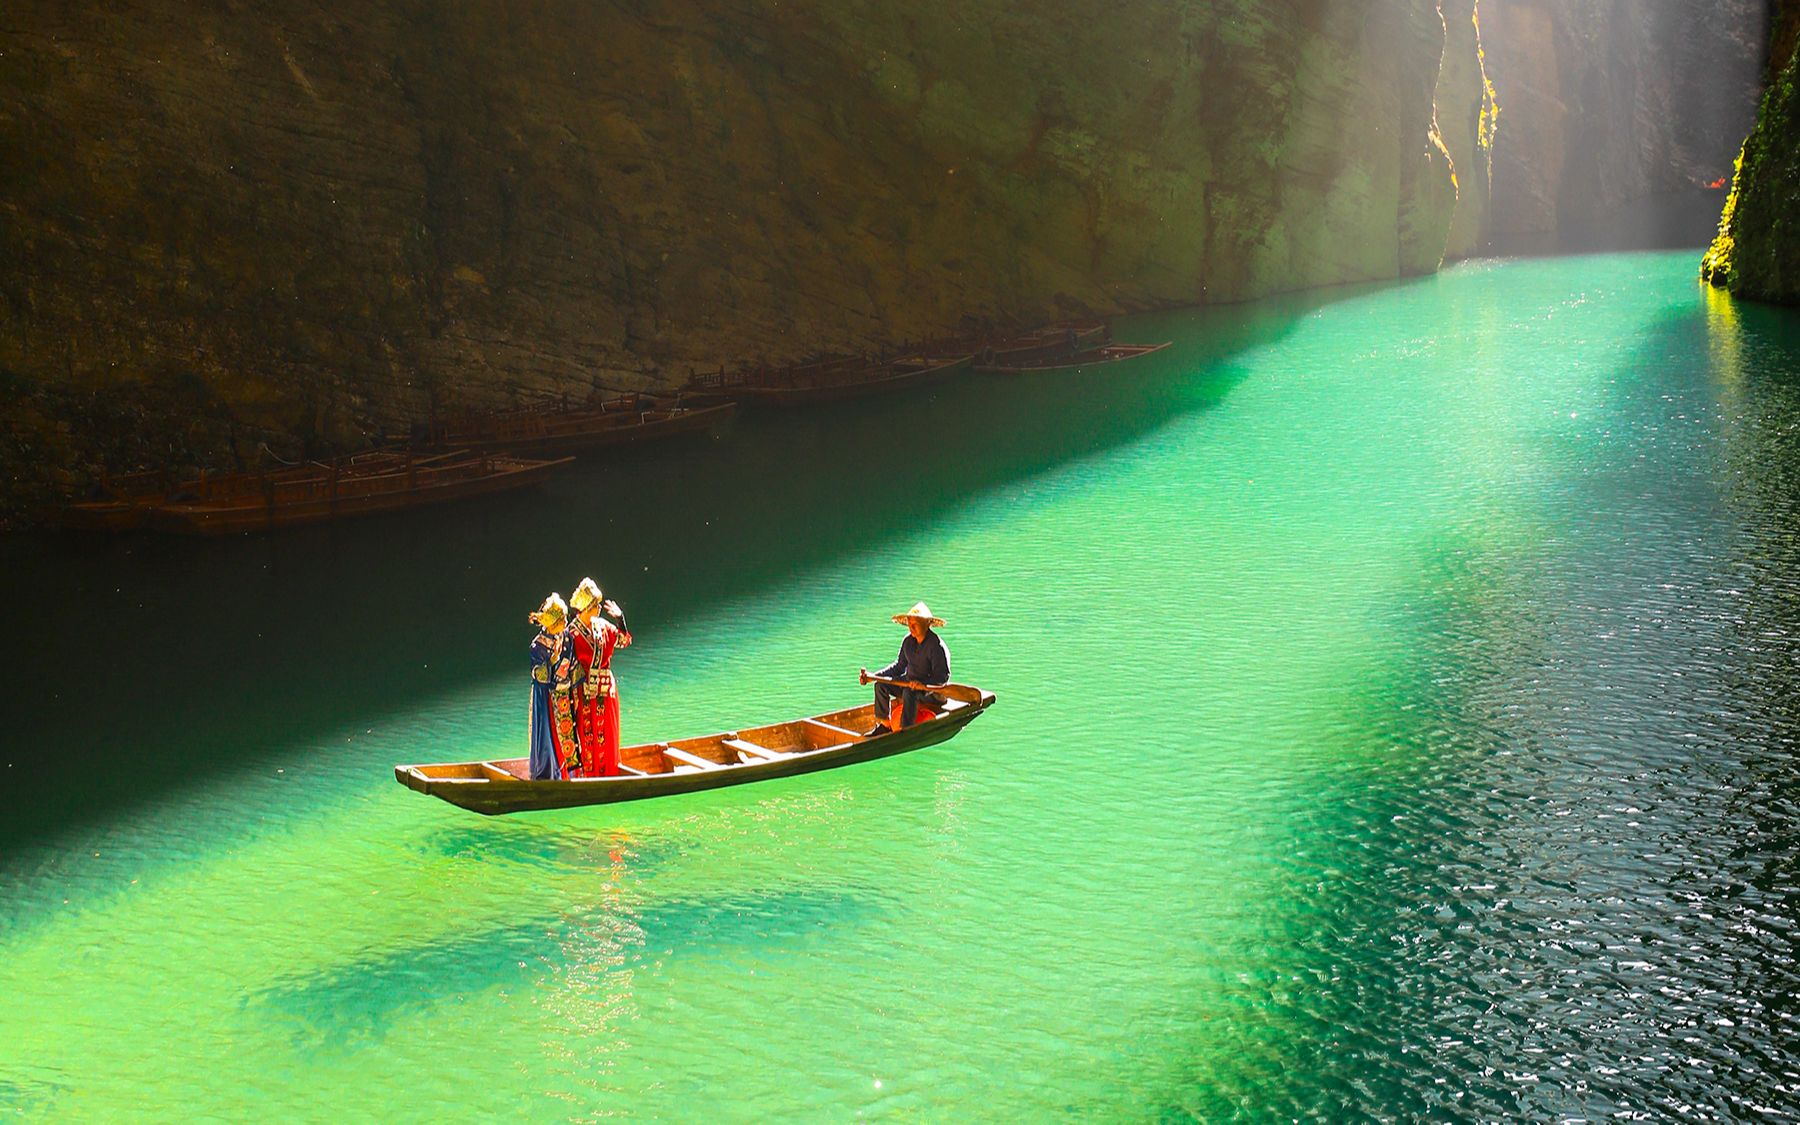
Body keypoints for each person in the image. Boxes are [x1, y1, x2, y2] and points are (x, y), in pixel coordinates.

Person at [567, 577, 633, 777]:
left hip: (606, 691)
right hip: (584, 692)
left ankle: (610, 772)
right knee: (587, 735)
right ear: (587, 607)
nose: (599, 608)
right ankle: (589, 774)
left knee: (608, 734)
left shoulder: (602, 626)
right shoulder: (571, 633)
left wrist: (620, 619)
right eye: (595, 605)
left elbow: (623, 641)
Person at [859, 601, 950, 736]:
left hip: (931, 692)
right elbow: (899, 666)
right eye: (909, 624)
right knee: (880, 686)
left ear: (927, 625)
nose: (911, 628)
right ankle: (885, 725)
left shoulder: (936, 646)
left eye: (915, 625)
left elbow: (942, 678)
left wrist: (922, 685)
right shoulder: (908, 641)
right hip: (909, 683)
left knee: (909, 692)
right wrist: (873, 676)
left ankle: (905, 730)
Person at [527, 594, 574, 781]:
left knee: (565, 732)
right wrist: (553, 661)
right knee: (547, 731)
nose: (566, 622)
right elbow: (539, 675)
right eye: (563, 619)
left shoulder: (566, 638)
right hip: (544, 695)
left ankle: (566, 769)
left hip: (562, 691)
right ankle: (547, 770)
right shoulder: (537, 646)